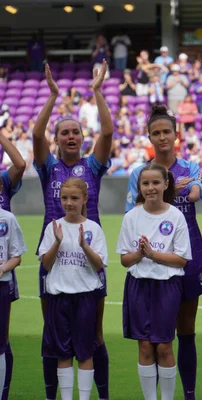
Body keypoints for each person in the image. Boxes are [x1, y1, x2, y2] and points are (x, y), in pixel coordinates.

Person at [33, 61, 113, 400]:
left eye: (75, 132)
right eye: (64, 132)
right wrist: (52, 96)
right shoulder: (48, 167)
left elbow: (107, 133)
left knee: (94, 334)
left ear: (82, 138)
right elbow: (37, 135)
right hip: (53, 256)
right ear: (57, 139)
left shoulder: (92, 166)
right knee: (53, 332)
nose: (69, 136)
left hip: (88, 255)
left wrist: (96, 92)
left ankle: (102, 394)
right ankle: (55, 395)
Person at [125, 105, 202, 400]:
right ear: (148, 136)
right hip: (153, 260)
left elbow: (195, 194)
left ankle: (189, 394)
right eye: (155, 133)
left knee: (185, 331)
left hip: (188, 254)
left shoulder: (190, 167)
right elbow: (132, 211)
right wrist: (172, 190)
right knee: (154, 338)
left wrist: (176, 189)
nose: (162, 138)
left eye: (166, 132)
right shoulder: (141, 173)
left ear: (176, 134)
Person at [117, 164, 191, 400]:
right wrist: (140, 254)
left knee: (164, 346)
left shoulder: (176, 216)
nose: (151, 188)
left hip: (167, 287)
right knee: (145, 346)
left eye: (156, 183)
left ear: (166, 184)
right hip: (138, 286)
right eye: (145, 183)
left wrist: (152, 255)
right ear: (139, 187)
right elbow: (125, 260)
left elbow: (181, 260)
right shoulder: (131, 217)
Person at [38, 178, 108, 400]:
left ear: (85, 199)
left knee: (85, 353)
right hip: (59, 299)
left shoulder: (93, 229)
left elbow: (99, 266)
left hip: (86, 298)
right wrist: (57, 242)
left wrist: (84, 246)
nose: (69, 203)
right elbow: (46, 265)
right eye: (64, 198)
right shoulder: (53, 227)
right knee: (63, 353)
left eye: (74, 198)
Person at [0, 181, 26, 400]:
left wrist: (2, 269)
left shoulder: (7, 219)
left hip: (1, 285)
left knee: (0, 342)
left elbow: (17, 256)